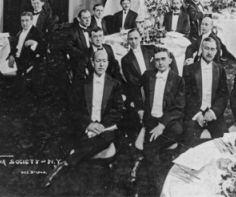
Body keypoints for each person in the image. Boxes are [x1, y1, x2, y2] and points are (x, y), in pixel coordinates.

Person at [44, 49, 124, 187]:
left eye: (104, 61)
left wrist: (101, 126)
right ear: (92, 63)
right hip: (86, 126)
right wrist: (89, 124)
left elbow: (118, 110)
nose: (101, 64)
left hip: (105, 128)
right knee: (81, 139)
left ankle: (66, 164)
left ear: (108, 63)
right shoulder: (82, 84)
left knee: (105, 139)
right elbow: (73, 109)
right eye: (98, 61)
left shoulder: (115, 84)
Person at [182, 38, 229, 150]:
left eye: (212, 49)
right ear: (201, 49)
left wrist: (213, 112)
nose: (209, 52)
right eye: (206, 48)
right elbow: (185, 95)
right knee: (189, 144)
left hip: (213, 115)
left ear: (217, 51)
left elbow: (223, 95)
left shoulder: (220, 69)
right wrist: (197, 115)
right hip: (194, 114)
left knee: (225, 144)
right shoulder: (189, 70)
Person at [140, 48, 185, 163]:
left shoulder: (178, 80)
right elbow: (134, 90)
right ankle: (154, 161)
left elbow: (178, 107)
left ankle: (149, 151)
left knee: (177, 130)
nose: (160, 63)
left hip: (169, 119)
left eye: (163, 59)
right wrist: (139, 109)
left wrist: (162, 125)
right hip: (152, 118)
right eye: (157, 60)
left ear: (170, 60)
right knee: (154, 154)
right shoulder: (147, 75)